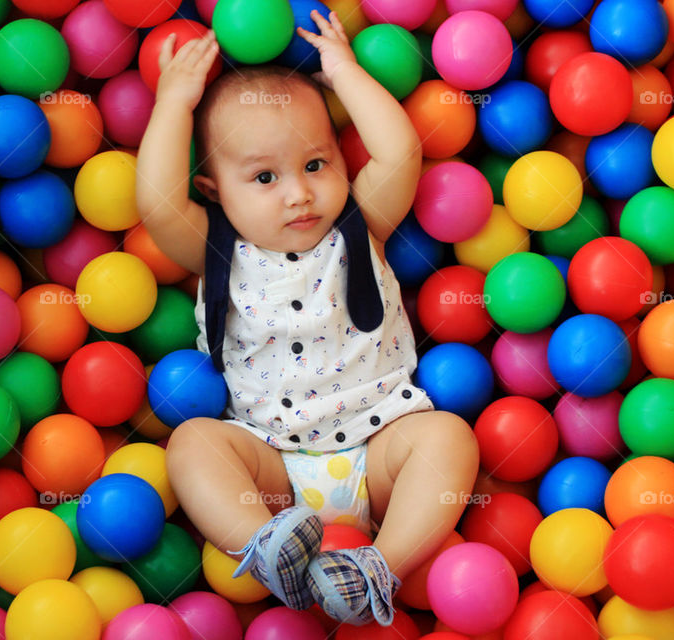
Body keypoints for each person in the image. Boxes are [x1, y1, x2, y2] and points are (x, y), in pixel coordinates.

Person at [136, 10, 479, 627]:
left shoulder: (359, 228)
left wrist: (343, 72)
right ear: (215, 192)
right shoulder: (217, 250)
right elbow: (157, 201)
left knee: (449, 437)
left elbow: (399, 150)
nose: (297, 193)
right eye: (264, 177)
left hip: (381, 447)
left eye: (315, 166)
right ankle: (264, 545)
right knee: (192, 444)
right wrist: (173, 105)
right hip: (271, 464)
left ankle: (380, 566)